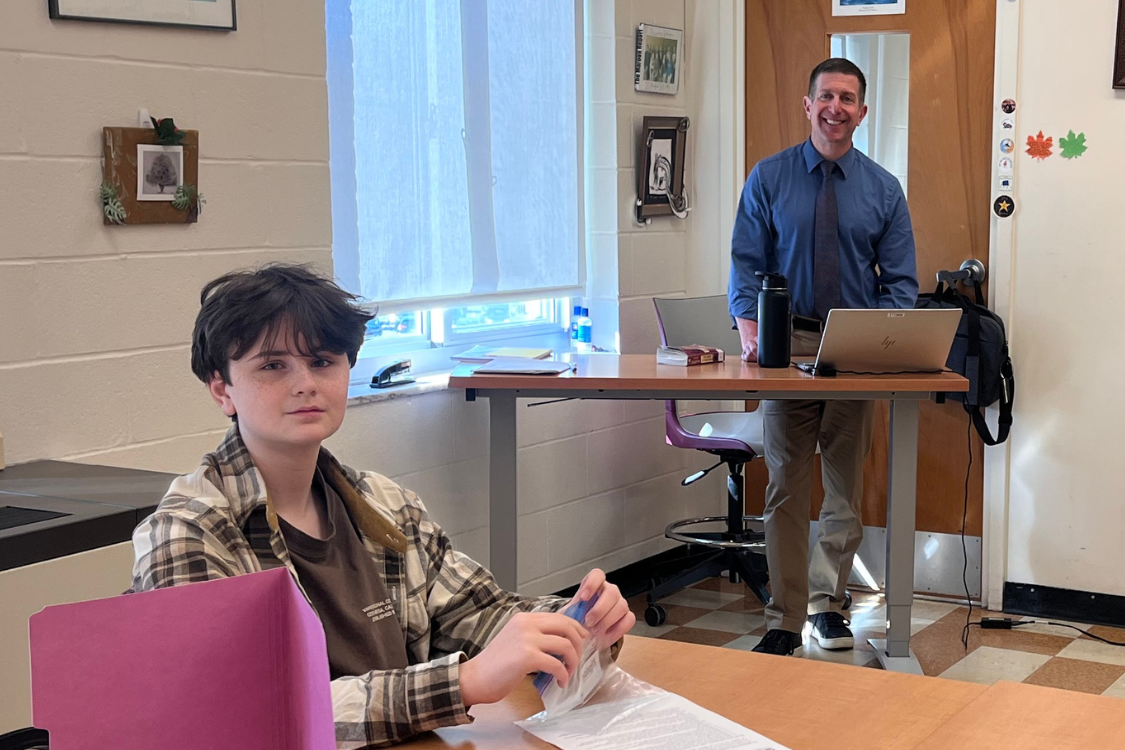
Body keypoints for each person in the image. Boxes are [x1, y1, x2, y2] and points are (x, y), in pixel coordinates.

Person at [131, 265, 635, 748]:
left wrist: (575, 623)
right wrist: (461, 683)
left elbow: (479, 614)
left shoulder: (384, 504)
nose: (305, 382)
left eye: (323, 361)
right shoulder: (188, 534)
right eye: (273, 365)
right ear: (222, 388)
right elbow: (239, 714)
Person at [727, 58, 918, 657]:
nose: (836, 107)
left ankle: (827, 605)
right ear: (807, 104)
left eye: (848, 98)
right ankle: (783, 617)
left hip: (857, 348)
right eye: (826, 96)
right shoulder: (769, 178)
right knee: (786, 484)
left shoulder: (884, 190)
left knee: (844, 488)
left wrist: (882, 340)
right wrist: (749, 325)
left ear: (863, 112)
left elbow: (902, 284)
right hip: (791, 344)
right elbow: (745, 262)